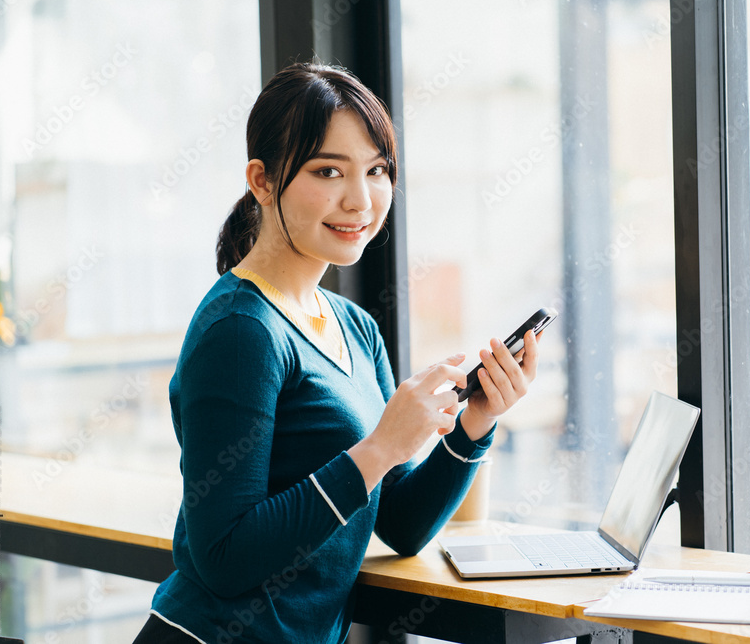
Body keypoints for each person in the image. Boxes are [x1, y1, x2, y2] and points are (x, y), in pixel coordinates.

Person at [131, 62, 542, 644]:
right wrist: (379, 449)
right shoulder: (241, 332)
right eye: (329, 171)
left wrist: (474, 423)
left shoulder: (354, 327)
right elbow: (223, 558)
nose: (361, 199)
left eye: (377, 171)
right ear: (263, 180)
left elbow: (398, 522)